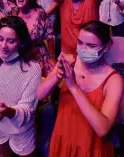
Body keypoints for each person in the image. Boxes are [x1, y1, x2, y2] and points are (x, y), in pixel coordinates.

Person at [38, 21, 124, 157]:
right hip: (63, 137)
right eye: (80, 43)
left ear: (106, 47)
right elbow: (40, 95)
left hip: (91, 146)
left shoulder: (114, 80)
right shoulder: (69, 61)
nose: (83, 49)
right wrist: (56, 77)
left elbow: (103, 128)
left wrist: (73, 86)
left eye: (91, 46)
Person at [0, 16, 41, 157]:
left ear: (21, 42)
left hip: (21, 128)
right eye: (0, 39)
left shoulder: (32, 67)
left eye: (11, 41)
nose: (3, 46)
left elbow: (28, 109)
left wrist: (9, 112)